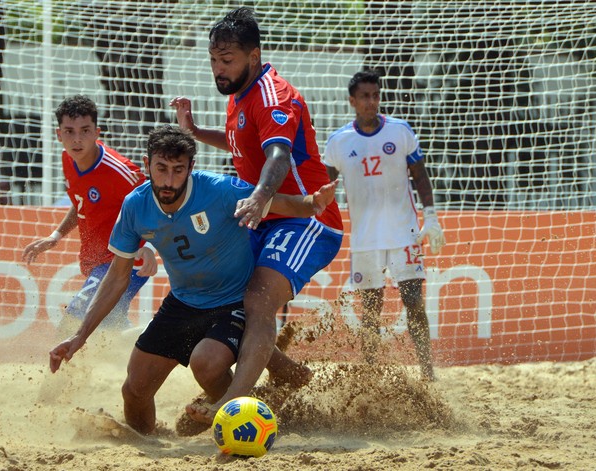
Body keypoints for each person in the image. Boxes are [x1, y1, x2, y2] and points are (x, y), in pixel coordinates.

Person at [48, 125, 337, 435]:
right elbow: (117, 277)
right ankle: (149, 443)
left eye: (178, 170)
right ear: (147, 166)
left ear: (190, 168)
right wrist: (80, 336)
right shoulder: (135, 206)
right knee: (134, 390)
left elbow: (280, 203)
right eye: (161, 169)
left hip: (232, 300)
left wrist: (312, 204)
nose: (169, 180)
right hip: (184, 302)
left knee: (207, 364)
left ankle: (258, 415)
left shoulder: (219, 190)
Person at [170, 6, 344, 424]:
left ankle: (230, 406)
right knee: (220, 290)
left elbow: (278, 155)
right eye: (213, 59)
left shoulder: (273, 93)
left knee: (259, 299)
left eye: (226, 60)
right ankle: (290, 376)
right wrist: (196, 133)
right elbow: (242, 145)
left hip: (307, 218)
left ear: (254, 54)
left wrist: (261, 195)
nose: (218, 69)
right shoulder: (239, 95)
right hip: (262, 216)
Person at [323, 69, 446, 380]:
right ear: (352, 101)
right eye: (364, 96)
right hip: (365, 238)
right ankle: (371, 372)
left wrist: (430, 215)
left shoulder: (400, 131)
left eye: (376, 95)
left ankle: (428, 372)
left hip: (403, 233)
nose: (371, 101)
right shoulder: (338, 141)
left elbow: (420, 175)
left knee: (414, 301)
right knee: (371, 309)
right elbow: (324, 185)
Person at [22, 95, 156, 331]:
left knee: (71, 325)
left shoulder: (119, 172)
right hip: (98, 260)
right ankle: (148, 349)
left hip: (124, 261)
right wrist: (56, 236)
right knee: (107, 330)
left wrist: (149, 246)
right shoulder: (68, 159)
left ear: (97, 132)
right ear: (58, 135)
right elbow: (81, 201)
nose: (77, 139)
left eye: (85, 131)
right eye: (69, 131)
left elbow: (156, 205)